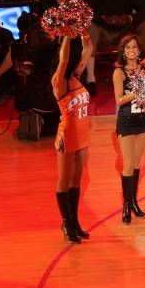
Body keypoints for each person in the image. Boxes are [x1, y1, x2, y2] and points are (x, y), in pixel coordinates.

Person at [52, 33, 95, 244]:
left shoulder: (76, 76)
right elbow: (64, 60)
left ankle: (75, 221)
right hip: (67, 135)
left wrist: (83, 30)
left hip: (83, 132)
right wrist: (67, 36)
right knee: (64, 180)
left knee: (77, 180)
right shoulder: (58, 81)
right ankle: (66, 222)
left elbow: (90, 48)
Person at [113, 34, 145, 225]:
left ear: (139, 50)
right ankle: (126, 205)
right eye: (128, 48)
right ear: (123, 51)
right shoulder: (119, 73)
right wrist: (137, 92)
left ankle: (134, 202)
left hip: (143, 119)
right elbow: (119, 99)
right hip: (126, 120)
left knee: (137, 163)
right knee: (128, 164)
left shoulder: (144, 69)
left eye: (134, 47)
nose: (131, 51)